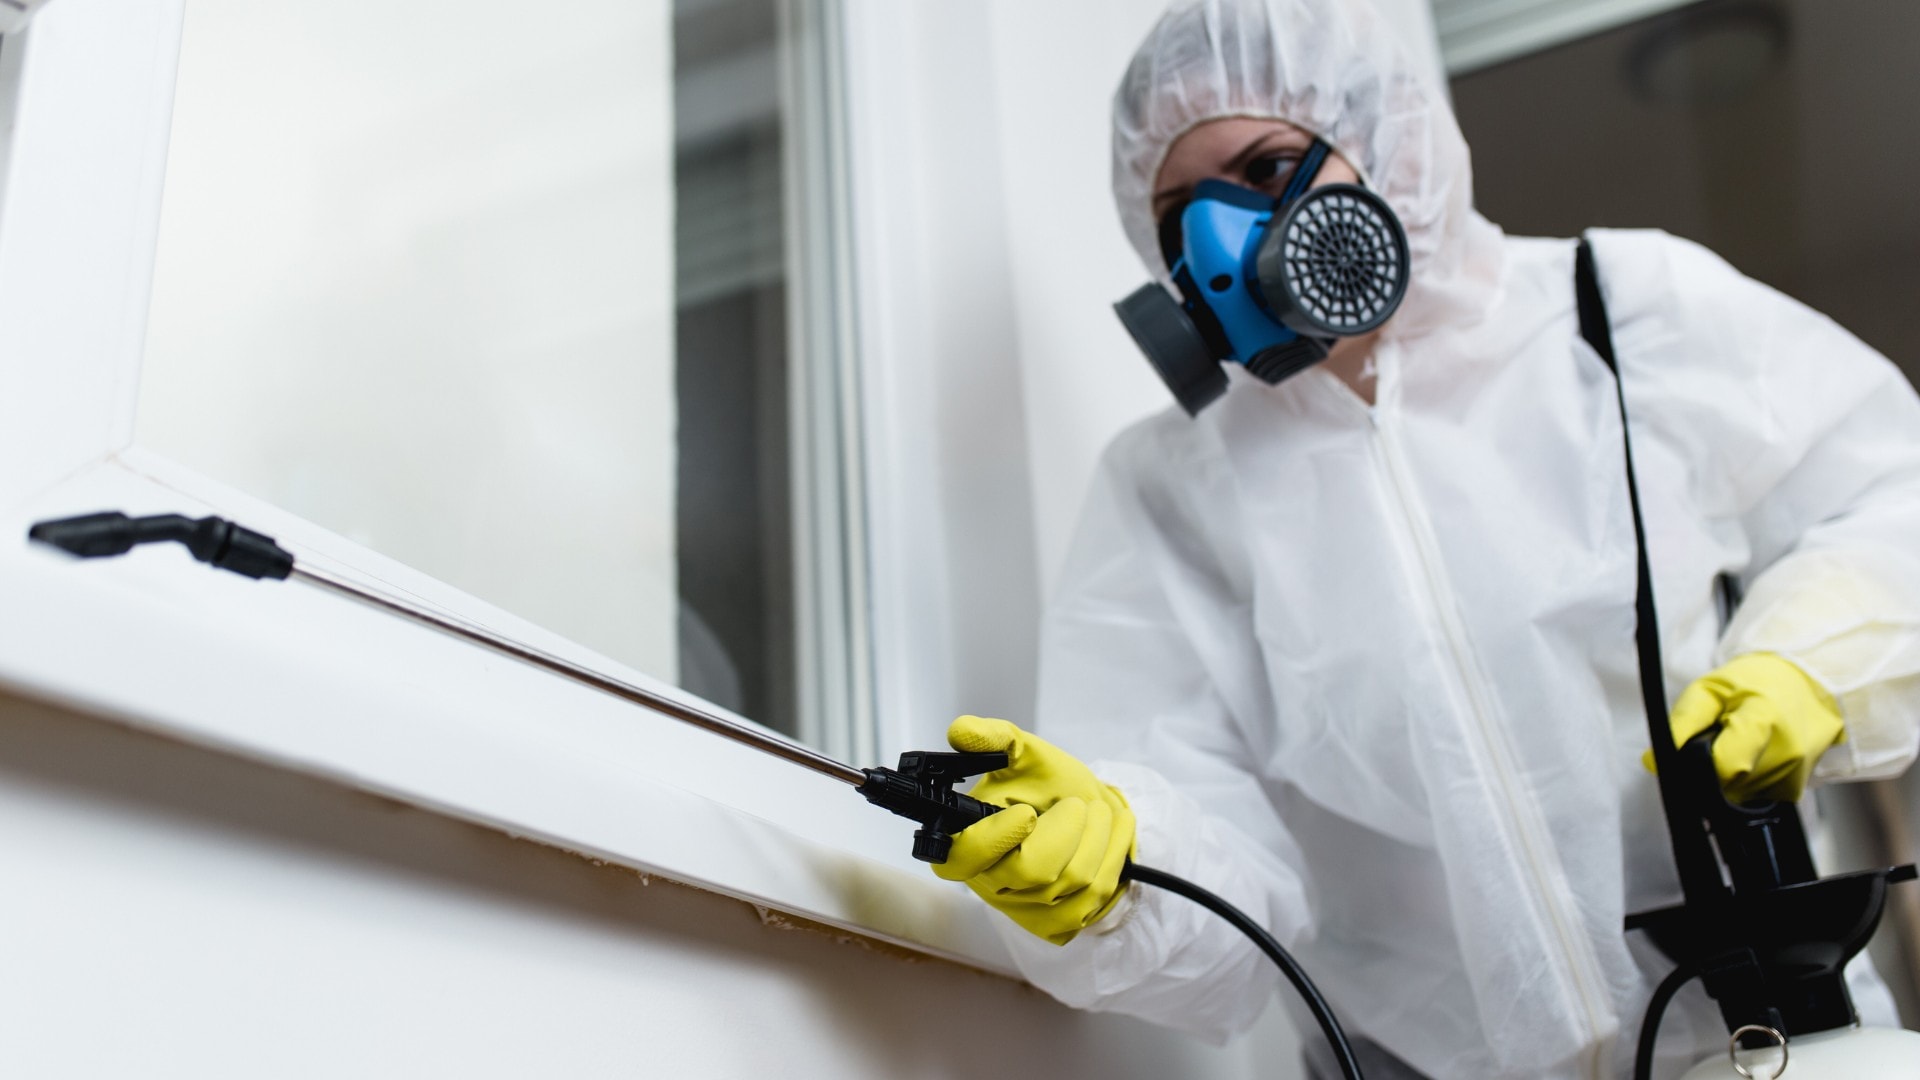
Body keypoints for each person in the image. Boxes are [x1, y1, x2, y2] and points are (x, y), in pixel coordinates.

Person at [925, 1, 1920, 1077]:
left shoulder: (1620, 312)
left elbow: (1888, 494)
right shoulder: (1174, 488)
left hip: (1751, 1038)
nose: (1220, 245)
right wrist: (1118, 869)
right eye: (1179, 216)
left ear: (1385, 136)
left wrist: (1813, 662)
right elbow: (1221, 892)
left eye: (1266, 172)